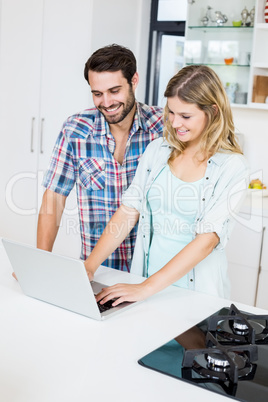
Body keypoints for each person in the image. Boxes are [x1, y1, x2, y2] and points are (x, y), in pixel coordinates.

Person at [84, 64, 249, 306]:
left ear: (213, 111)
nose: (175, 123)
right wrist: (89, 266)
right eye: (171, 113)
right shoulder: (157, 150)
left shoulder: (232, 166)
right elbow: (129, 210)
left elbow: (207, 240)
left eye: (186, 116)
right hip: (146, 288)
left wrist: (145, 288)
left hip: (195, 297)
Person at [37, 44, 163, 271]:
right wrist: (40, 261)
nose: (106, 102)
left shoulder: (163, 128)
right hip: (97, 269)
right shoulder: (76, 130)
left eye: (115, 91)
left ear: (134, 80)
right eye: (97, 94)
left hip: (152, 272)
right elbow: (54, 198)